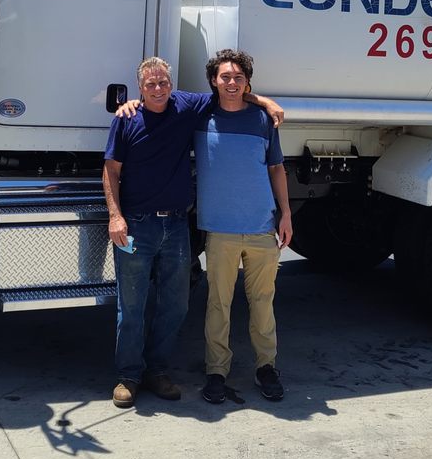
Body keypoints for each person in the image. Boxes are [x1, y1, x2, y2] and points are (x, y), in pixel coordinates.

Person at [102, 56, 283, 409]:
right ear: (140, 88)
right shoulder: (126, 119)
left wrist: (264, 100)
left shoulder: (186, 106)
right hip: (137, 224)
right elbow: (111, 169)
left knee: (176, 304)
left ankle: (157, 371)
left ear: (172, 85)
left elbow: (231, 92)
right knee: (132, 305)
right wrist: (115, 217)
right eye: (151, 84)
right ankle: (129, 376)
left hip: (176, 225)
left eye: (163, 82)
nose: (158, 89)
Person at [195, 48, 292, 404]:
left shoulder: (263, 120)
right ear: (213, 81)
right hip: (220, 231)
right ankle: (216, 371)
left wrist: (286, 214)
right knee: (218, 304)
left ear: (247, 82)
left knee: (262, 303)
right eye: (225, 77)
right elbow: (161, 99)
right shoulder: (200, 116)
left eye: (238, 77)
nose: (232, 83)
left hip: (261, 227)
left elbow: (276, 169)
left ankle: (266, 367)